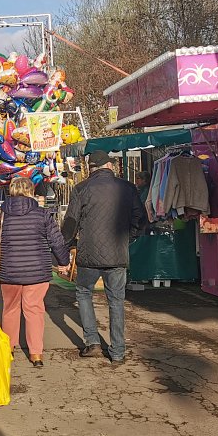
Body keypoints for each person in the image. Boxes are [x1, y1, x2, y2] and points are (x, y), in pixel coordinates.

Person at [59, 150, 147, 366]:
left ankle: (93, 343)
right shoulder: (127, 188)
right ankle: (118, 351)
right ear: (109, 166)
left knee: (84, 293)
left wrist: (66, 247)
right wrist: (128, 237)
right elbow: (140, 218)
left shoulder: (81, 188)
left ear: (91, 168)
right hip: (117, 253)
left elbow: (71, 222)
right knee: (116, 300)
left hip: (88, 254)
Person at [0, 176, 72, 367]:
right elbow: (57, 241)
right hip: (37, 271)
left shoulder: (2, 214)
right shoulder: (42, 214)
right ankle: (36, 353)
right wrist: (64, 262)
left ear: (11, 191)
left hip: (9, 270)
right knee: (34, 310)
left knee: (10, 309)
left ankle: (8, 348)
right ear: (31, 192)